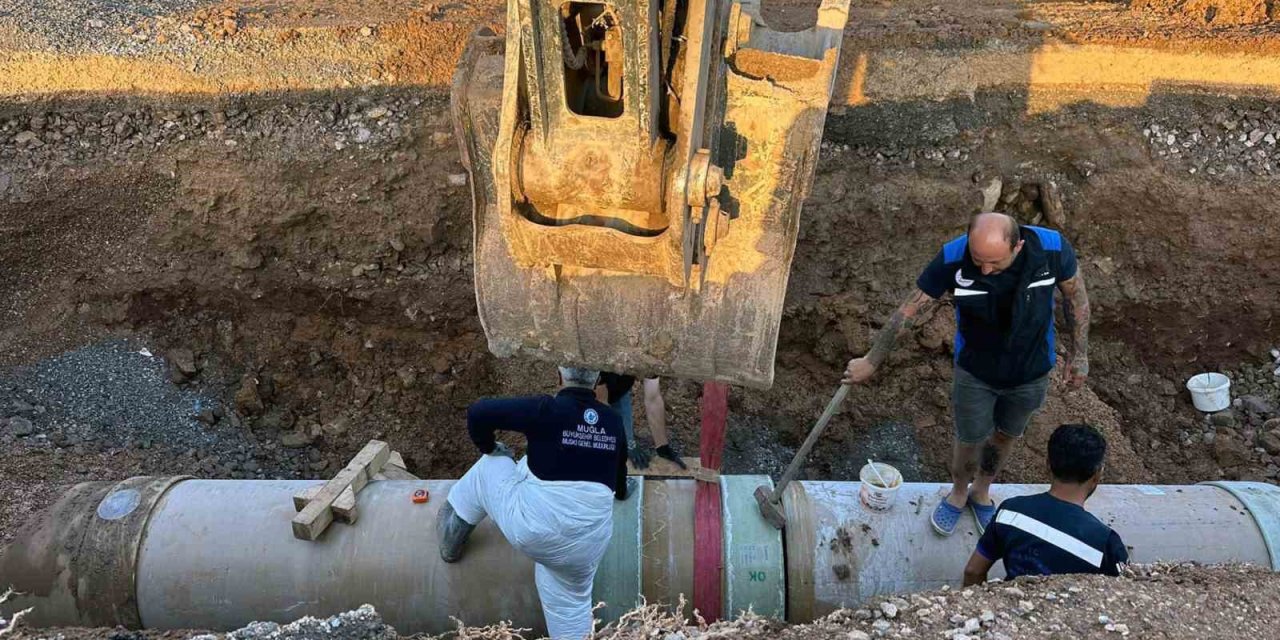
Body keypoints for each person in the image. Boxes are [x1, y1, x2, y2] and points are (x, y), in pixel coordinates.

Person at [842, 212, 1091, 536]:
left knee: (1005, 435)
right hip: (975, 371)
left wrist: (1080, 355)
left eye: (994, 263)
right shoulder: (953, 257)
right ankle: (958, 493)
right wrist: (872, 360)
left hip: (1030, 373)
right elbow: (910, 311)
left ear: (1017, 246)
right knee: (969, 438)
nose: (985, 270)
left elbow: (1077, 299)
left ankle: (981, 491)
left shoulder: (1052, 248)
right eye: (978, 260)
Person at [438, 366, 637, 640]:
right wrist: (625, 490)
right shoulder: (613, 422)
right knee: (569, 603)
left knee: (489, 467)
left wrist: (490, 447)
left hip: (536, 530)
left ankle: (450, 540)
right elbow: (620, 482)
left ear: (558, 376)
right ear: (598, 380)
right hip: (588, 545)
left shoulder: (546, 409)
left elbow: (478, 411)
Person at [963, 423, 1128, 585]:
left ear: (1047, 465)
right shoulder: (1105, 542)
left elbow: (973, 571)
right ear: (1097, 474)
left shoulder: (1010, 512)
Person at [596, 372, 685, 469]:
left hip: (619, 391)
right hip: (590, 392)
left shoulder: (648, 360)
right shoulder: (605, 368)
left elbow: (653, 398)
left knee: (625, 446)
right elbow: (601, 405)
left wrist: (662, 446)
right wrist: (627, 445)